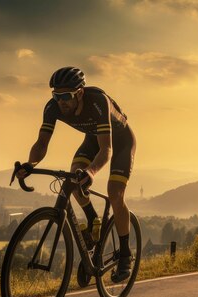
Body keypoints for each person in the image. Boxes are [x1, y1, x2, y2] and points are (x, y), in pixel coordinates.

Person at [14, 67, 136, 283]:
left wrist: (91, 171)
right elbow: (42, 143)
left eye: (66, 96)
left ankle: (125, 254)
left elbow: (106, 149)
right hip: (92, 140)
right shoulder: (53, 108)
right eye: (56, 95)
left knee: (115, 193)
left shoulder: (98, 101)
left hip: (121, 142)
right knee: (72, 178)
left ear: (79, 93)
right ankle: (92, 221)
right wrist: (30, 163)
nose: (61, 101)